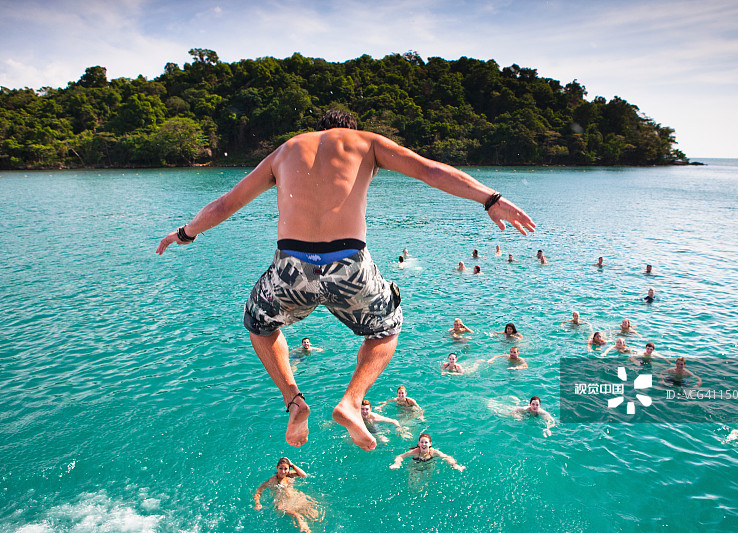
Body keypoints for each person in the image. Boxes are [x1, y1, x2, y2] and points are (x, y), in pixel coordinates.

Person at [156, 110, 535, 451]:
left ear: (319, 129)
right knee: (386, 329)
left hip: (292, 267)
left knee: (260, 324)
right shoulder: (365, 142)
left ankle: (293, 400)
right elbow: (430, 171)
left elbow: (226, 204)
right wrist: (490, 198)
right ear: (350, 129)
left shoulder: (286, 150)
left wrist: (185, 233)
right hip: (349, 265)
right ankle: (352, 402)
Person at [254, 457, 319, 533]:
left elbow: (303, 475)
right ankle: (306, 529)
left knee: (314, 514)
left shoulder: (289, 475)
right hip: (282, 502)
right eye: (280, 468)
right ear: (277, 468)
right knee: (297, 516)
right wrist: (257, 503)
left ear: (289, 469)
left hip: (294, 497)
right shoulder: (273, 480)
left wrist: (292, 465)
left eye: (285, 469)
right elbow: (258, 491)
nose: (283, 471)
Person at [389, 433, 465, 471]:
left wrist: (454, 464)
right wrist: (397, 463)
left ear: (430, 444)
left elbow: (446, 457)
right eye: (422, 442)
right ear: (419, 443)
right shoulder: (415, 452)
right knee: (413, 483)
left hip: (429, 465)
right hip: (415, 466)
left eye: (426, 442)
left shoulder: (434, 452)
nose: (424, 444)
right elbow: (400, 456)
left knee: (427, 482)